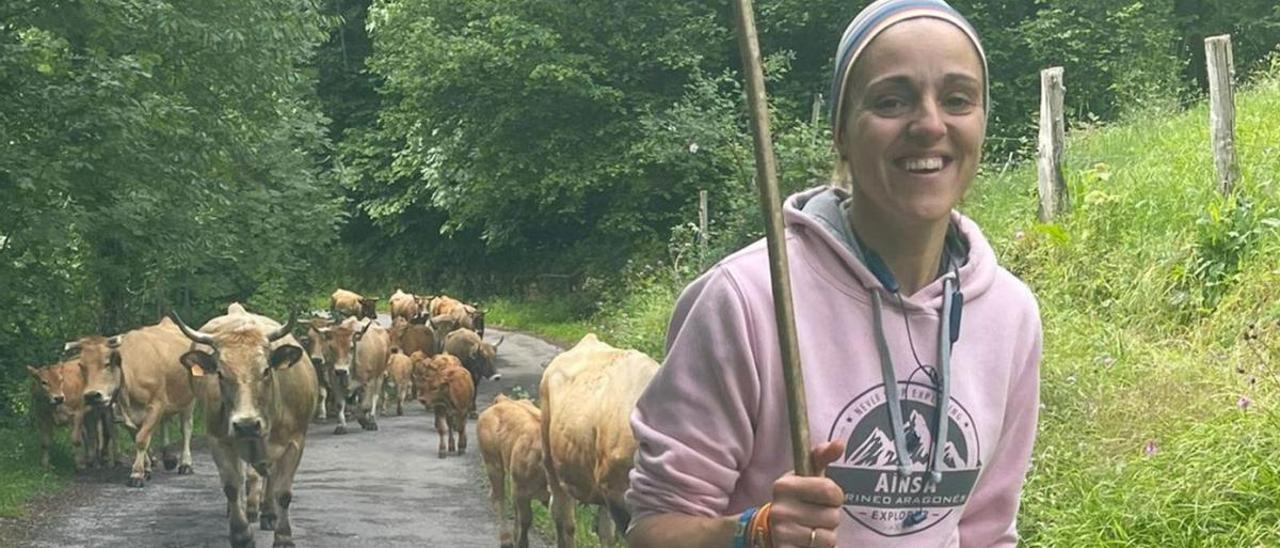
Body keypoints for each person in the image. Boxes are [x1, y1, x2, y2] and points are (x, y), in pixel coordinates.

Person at [625, 1, 1042, 546]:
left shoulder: (1010, 315)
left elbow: (987, 532)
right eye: (891, 101)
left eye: (958, 99)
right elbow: (653, 528)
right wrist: (752, 532)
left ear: (983, 121)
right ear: (841, 132)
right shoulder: (749, 300)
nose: (930, 125)